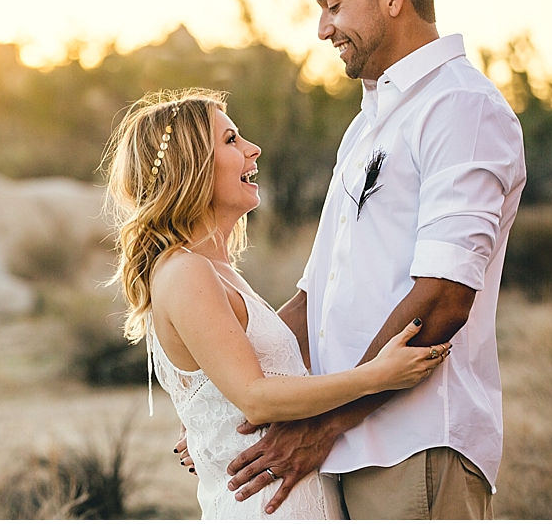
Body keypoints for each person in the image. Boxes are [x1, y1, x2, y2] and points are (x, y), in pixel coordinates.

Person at [178, 0, 526, 519]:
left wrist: (321, 426)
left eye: (333, 4)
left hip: (416, 446)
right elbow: (316, 301)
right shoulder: (367, 124)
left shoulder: (462, 110)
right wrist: (225, 405)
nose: (321, 28)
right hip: (343, 452)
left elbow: (445, 297)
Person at [103, 88, 452, 519]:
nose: (254, 149)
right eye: (231, 141)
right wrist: (374, 377)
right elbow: (256, 398)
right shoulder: (185, 271)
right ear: (189, 167)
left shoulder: (216, 271)